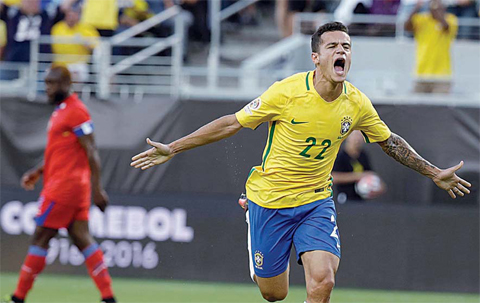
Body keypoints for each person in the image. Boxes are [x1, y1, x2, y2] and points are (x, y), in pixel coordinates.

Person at [130, 22, 471, 303]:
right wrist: (173, 147)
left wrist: (433, 172)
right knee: (273, 294)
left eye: (347, 46)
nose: (342, 51)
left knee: (323, 282)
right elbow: (232, 122)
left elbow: (390, 142)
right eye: (333, 46)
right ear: (316, 57)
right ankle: (252, 214)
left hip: (315, 201)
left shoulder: (357, 103)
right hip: (270, 200)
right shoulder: (287, 92)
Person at [2, 66, 116, 303]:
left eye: (52, 83)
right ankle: (108, 298)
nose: (48, 88)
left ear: (66, 84)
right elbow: (60, 152)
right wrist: (38, 171)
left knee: (40, 237)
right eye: (46, 83)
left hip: (64, 188)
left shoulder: (77, 111)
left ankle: (18, 298)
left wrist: (98, 189)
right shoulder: (60, 111)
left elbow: (91, 150)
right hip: (71, 188)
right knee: (82, 238)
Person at [405, 0, 458, 94]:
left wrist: (437, 12)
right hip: (421, 73)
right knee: (416, 106)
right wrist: (416, 8)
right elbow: (407, 27)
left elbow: (446, 27)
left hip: (442, 76)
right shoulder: (422, 19)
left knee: (441, 107)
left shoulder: (451, 19)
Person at [332, 130, 385, 203]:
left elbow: (369, 173)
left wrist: (377, 186)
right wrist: (358, 176)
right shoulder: (340, 155)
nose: (357, 140)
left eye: (360, 137)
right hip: (344, 198)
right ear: (348, 138)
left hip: (361, 200)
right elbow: (333, 177)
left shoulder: (363, 155)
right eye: (355, 137)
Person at [51, 4, 99, 82]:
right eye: (69, 15)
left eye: (74, 15)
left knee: (75, 75)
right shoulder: (57, 28)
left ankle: (76, 94)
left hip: (79, 63)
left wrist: (85, 42)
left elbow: (96, 46)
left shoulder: (86, 28)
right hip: (60, 63)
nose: (71, 18)